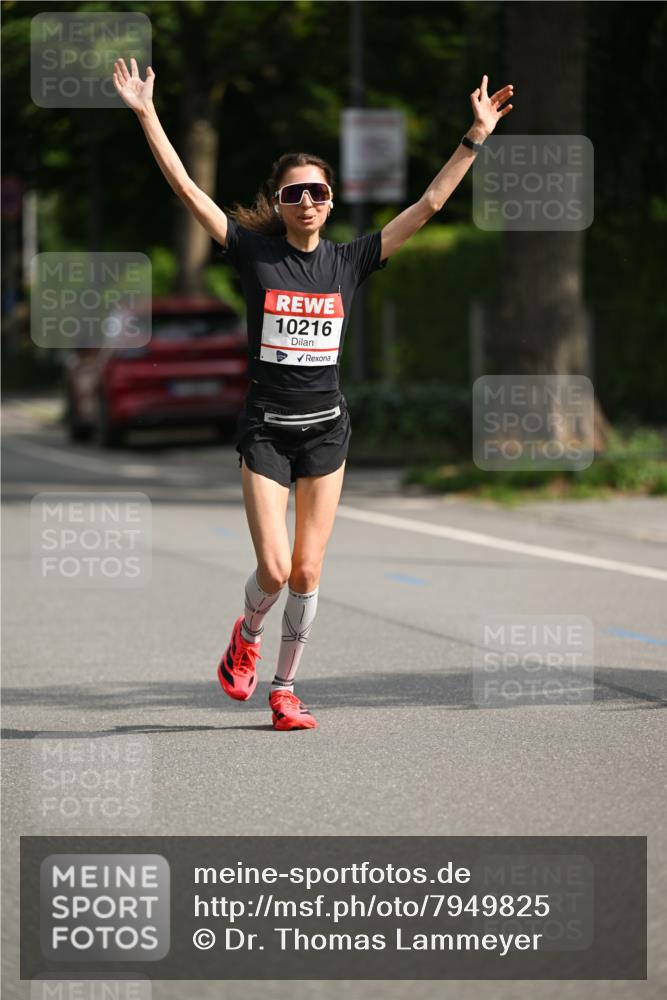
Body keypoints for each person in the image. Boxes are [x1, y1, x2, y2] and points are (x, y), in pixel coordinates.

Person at [113, 58, 513, 731]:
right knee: (271, 569)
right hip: (266, 430)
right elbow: (184, 186)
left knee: (306, 568)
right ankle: (245, 634)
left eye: (318, 193)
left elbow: (431, 204)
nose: (307, 202)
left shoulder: (350, 259)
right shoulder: (251, 254)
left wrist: (473, 137)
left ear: (330, 201)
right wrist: (147, 113)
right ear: (280, 202)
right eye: (295, 193)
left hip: (326, 430)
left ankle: (285, 689)